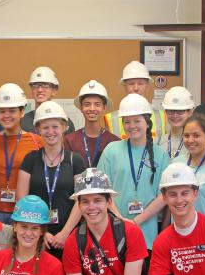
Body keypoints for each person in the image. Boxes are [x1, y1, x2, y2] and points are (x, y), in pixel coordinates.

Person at [97, 94, 169, 250]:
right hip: (113, 228)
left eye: (137, 121)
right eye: (127, 122)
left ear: (147, 123)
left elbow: (164, 196)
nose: (132, 126)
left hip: (147, 234)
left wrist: (137, 221)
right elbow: (101, 190)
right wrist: (119, 218)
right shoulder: (112, 150)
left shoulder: (161, 155)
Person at [16, 101, 86, 259]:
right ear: (38, 129)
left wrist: (64, 233)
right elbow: (22, 201)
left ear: (64, 127)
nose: (50, 132)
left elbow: (81, 200)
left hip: (69, 236)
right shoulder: (30, 160)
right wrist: (42, 232)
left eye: (55, 126)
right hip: (35, 236)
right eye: (45, 127)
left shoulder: (76, 161)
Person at [0, 83, 44, 223]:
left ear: (22, 112)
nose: (6, 116)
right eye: (2, 111)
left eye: (12, 111)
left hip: (25, 212)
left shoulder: (37, 142)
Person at [104, 61, 166, 141]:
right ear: (125, 86)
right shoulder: (111, 119)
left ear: (147, 86)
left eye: (140, 84)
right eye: (131, 84)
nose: (136, 88)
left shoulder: (162, 116)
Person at [64, 80, 120, 168]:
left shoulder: (114, 142)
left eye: (97, 104)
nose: (92, 108)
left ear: (104, 107)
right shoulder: (69, 141)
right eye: (87, 104)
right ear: (81, 107)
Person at [21, 66, 75, 134]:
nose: (40, 90)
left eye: (45, 85)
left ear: (54, 90)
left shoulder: (65, 122)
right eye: (35, 85)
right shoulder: (22, 122)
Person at [160, 86, 195, 160]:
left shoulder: (196, 143)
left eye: (180, 111)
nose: (175, 115)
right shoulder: (157, 142)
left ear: (190, 112)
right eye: (170, 111)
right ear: (165, 112)